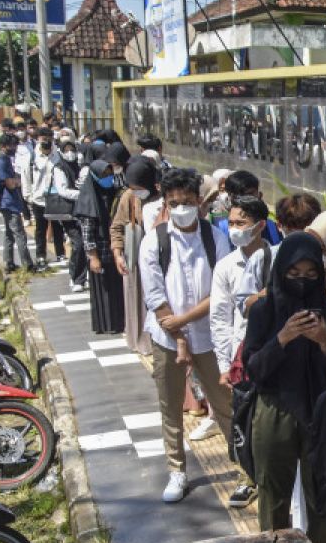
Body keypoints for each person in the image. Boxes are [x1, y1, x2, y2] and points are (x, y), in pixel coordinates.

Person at [137, 168, 234, 504]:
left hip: (209, 337)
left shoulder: (215, 239)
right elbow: (155, 297)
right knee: (171, 406)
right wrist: (178, 335)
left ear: (199, 202)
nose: (181, 208)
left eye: (187, 201)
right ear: (165, 203)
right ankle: (177, 470)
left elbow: (220, 293)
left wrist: (187, 320)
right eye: (173, 202)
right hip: (167, 340)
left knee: (224, 404)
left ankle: (242, 466)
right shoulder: (155, 240)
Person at [242, 231, 326, 542]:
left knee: (321, 489)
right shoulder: (263, 311)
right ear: (280, 272)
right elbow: (254, 369)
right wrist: (282, 338)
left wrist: (325, 341)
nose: (302, 282)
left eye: (311, 275)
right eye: (294, 274)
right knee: (273, 489)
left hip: (319, 408)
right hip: (274, 407)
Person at [209, 195, 270, 509]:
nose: (233, 228)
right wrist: (224, 363)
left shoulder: (275, 258)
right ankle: (249, 477)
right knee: (243, 420)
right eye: (231, 222)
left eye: (240, 223)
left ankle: (270, 478)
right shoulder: (227, 267)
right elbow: (219, 317)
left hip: (272, 355)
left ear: (259, 226)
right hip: (241, 357)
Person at [236, 193, 321, 311]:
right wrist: (272, 290)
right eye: (292, 233)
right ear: (279, 225)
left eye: (306, 232)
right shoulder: (263, 258)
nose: (299, 240)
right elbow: (244, 306)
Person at [110, 157, 159, 355]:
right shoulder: (130, 197)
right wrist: (118, 253)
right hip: (136, 257)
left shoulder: (163, 197)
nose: (136, 190)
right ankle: (140, 340)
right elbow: (117, 226)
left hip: (159, 256)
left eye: (139, 186)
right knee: (136, 297)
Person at [75, 160, 126, 334]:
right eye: (103, 175)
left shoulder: (111, 193)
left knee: (116, 287)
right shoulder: (88, 199)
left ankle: (119, 322)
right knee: (104, 289)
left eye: (109, 174)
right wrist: (93, 257)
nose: (108, 178)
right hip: (100, 251)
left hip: (113, 249)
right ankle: (107, 325)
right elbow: (87, 233)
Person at [0, 132, 35, 273]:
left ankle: (8, 263)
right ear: (3, 146)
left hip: (10, 202)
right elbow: (10, 184)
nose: (14, 147)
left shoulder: (6, 160)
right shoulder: (1, 162)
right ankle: (27, 264)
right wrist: (18, 182)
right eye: (12, 145)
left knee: (9, 234)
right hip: (8, 202)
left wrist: (16, 181)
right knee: (20, 234)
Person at [24, 128, 67, 266]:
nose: (46, 141)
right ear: (38, 139)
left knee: (58, 227)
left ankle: (60, 253)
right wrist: (28, 196)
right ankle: (41, 255)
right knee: (40, 229)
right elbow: (25, 177)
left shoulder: (59, 155)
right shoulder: (31, 156)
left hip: (55, 197)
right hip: (38, 198)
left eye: (49, 138)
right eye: (43, 138)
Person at [51, 138, 88, 291]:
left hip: (83, 209)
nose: (70, 153)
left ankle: (82, 276)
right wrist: (82, 194)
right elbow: (63, 190)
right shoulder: (59, 168)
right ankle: (76, 277)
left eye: (72, 149)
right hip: (69, 212)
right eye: (66, 150)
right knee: (78, 242)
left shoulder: (80, 165)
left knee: (85, 243)